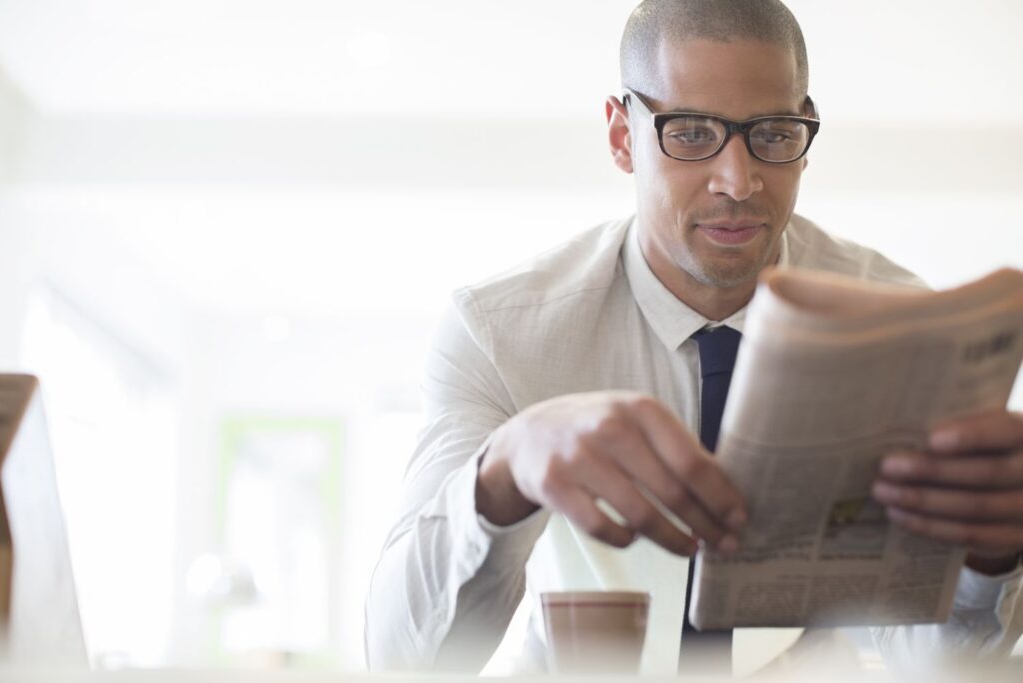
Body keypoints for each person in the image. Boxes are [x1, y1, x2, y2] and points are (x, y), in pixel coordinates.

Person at [364, 0, 1023, 674]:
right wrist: (503, 470)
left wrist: (991, 559)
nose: (738, 182)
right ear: (623, 136)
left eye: (772, 132)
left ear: (807, 127)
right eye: (690, 131)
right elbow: (402, 658)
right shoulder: (500, 334)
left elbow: (937, 660)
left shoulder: (904, 328)